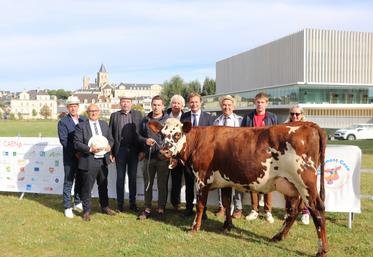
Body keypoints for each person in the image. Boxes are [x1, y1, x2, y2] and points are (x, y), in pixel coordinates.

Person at [74, 104, 116, 221]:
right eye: (91, 111)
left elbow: (111, 140)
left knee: (103, 185)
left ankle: (105, 207)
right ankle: (86, 211)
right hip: (89, 159)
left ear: (99, 112)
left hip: (103, 160)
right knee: (87, 187)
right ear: (87, 113)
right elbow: (77, 143)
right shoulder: (80, 126)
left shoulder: (104, 125)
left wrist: (109, 147)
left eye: (95, 111)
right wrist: (90, 149)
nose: (93, 113)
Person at [242, 92, 277, 223]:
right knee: (253, 182)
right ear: (254, 103)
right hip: (251, 154)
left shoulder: (272, 117)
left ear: (266, 103)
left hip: (268, 154)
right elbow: (243, 136)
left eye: (262, 102)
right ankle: (254, 210)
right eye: (258, 102)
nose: (260, 104)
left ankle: (268, 211)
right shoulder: (248, 117)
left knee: (268, 182)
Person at [181, 92, 215, 218]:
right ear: (189, 103)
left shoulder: (209, 118)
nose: (194, 104)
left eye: (196, 102)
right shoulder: (184, 117)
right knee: (189, 184)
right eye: (192, 102)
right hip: (188, 158)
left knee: (202, 186)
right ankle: (189, 208)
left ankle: (203, 210)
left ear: (201, 103)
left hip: (203, 159)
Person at [109, 96, 143, 212]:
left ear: (131, 103)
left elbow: (142, 133)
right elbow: (111, 136)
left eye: (128, 102)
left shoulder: (138, 115)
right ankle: (119, 204)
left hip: (134, 151)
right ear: (120, 103)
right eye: (123, 102)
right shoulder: (114, 116)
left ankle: (133, 203)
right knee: (120, 178)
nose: (125, 104)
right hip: (120, 151)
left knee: (132, 178)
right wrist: (111, 152)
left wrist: (142, 151)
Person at [138, 95, 169, 219]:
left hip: (162, 158)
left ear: (163, 106)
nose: (156, 107)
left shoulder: (168, 120)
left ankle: (161, 209)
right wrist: (145, 140)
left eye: (158, 105)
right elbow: (138, 136)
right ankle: (147, 209)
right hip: (148, 157)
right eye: (154, 105)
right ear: (151, 105)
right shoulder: (145, 120)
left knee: (162, 185)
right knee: (148, 184)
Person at [213, 95, 243, 219]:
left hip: (237, 156)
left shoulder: (240, 120)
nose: (226, 107)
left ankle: (238, 208)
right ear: (221, 106)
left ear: (233, 106)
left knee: (238, 183)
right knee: (221, 182)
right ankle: (222, 207)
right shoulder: (216, 121)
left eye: (229, 105)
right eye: (224, 105)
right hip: (222, 157)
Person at [58, 96, 86, 218]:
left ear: (78, 107)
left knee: (80, 180)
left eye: (75, 106)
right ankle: (67, 206)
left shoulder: (84, 120)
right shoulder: (63, 122)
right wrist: (76, 152)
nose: (73, 108)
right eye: (71, 106)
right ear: (68, 108)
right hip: (70, 157)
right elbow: (64, 141)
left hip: (83, 156)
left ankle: (78, 202)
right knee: (69, 181)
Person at [284, 104, 310, 225]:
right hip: (287, 162)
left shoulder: (308, 128)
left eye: (297, 114)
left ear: (302, 115)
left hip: (302, 164)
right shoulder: (284, 127)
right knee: (288, 188)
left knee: (303, 189)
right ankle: (289, 211)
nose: (294, 116)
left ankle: (305, 212)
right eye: (292, 114)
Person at [165, 94, 185, 210]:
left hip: (180, 154)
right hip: (166, 152)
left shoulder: (185, 117)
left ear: (182, 105)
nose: (176, 105)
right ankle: (161, 203)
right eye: (174, 103)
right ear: (171, 104)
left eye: (178, 103)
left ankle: (175, 203)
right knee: (163, 180)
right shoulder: (165, 117)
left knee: (177, 180)